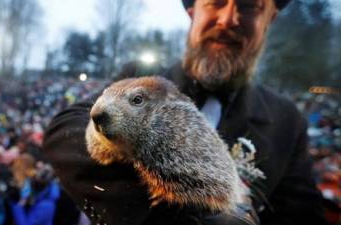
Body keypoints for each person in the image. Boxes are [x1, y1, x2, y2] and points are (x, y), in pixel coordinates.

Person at [42, 0, 328, 224]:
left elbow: (301, 213)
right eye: (215, 2)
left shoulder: (287, 120)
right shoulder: (139, 76)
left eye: (249, 5)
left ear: (270, 19)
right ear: (193, 12)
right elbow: (65, 130)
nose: (228, 18)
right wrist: (166, 216)